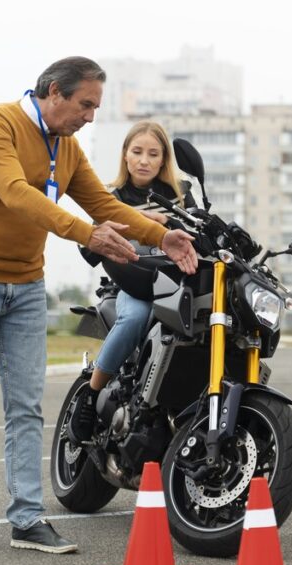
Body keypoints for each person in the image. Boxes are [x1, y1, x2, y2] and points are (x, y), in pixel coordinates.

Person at [0, 57, 198, 555]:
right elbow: (16, 195)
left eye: (96, 106)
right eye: (85, 104)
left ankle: (27, 519)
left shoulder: (65, 147)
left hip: (24, 285)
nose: (90, 116)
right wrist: (87, 234)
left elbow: (106, 205)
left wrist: (163, 236)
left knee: (26, 407)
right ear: (53, 91)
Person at [69, 121, 194, 441]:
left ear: (164, 159)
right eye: (137, 152)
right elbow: (90, 246)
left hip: (177, 285)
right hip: (133, 285)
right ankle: (89, 396)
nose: (144, 160)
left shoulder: (182, 197)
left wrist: (169, 221)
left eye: (153, 154)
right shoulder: (113, 198)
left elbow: (200, 234)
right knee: (134, 318)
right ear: (125, 155)